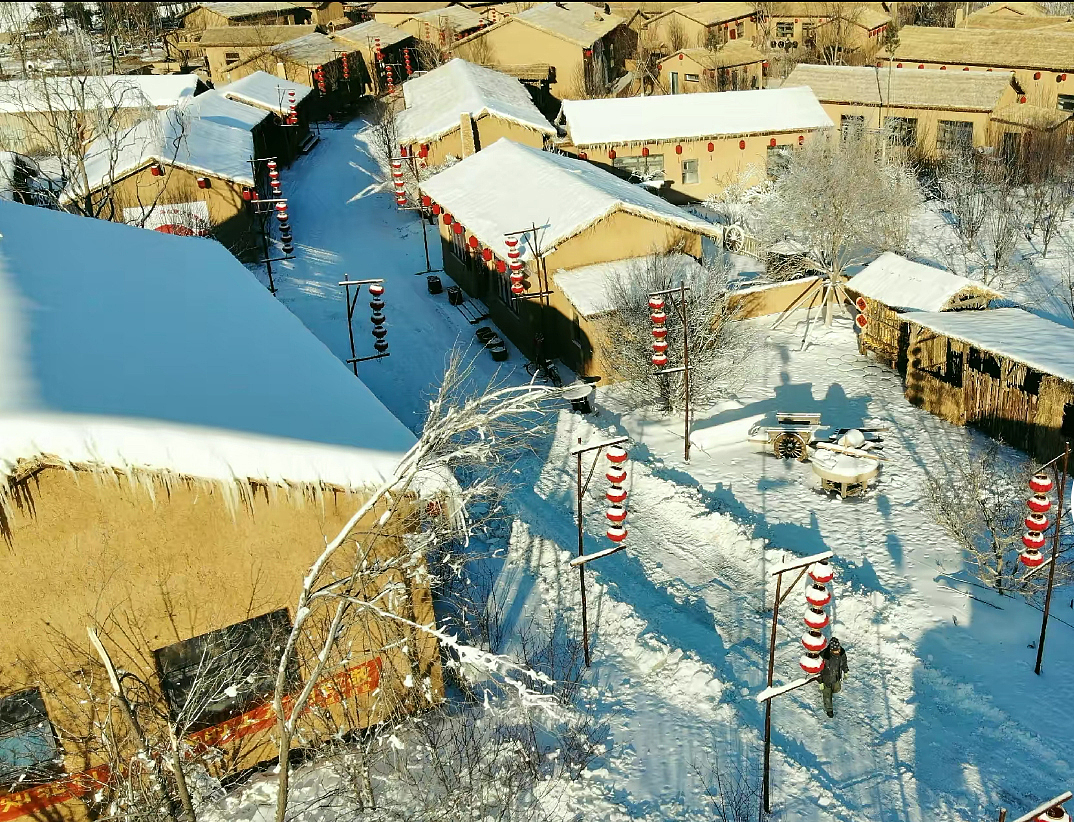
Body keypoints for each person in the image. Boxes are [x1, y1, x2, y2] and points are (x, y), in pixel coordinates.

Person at [818, 636, 849, 718]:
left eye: (838, 649)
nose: (838, 651)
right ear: (831, 650)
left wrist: (845, 671)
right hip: (826, 679)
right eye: (836, 650)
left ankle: (832, 690)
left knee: (836, 689)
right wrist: (820, 681)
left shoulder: (841, 653)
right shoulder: (824, 656)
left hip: (836, 676)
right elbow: (818, 670)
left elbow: (844, 662)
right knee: (827, 695)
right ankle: (829, 710)